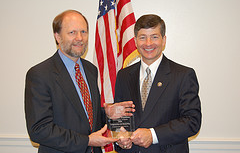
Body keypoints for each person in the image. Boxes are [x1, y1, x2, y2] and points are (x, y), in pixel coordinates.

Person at [24, 10, 134, 153]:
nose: (79, 38)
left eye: (83, 32)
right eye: (72, 32)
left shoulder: (90, 70)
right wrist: (87, 141)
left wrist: (106, 114)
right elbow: (39, 130)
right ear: (57, 36)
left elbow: (85, 117)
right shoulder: (40, 74)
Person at [114, 14, 202, 152]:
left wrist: (153, 135)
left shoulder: (183, 75)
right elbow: (119, 118)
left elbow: (192, 122)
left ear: (164, 40)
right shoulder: (123, 76)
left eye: (154, 37)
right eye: (142, 37)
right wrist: (121, 139)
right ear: (136, 41)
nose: (148, 43)